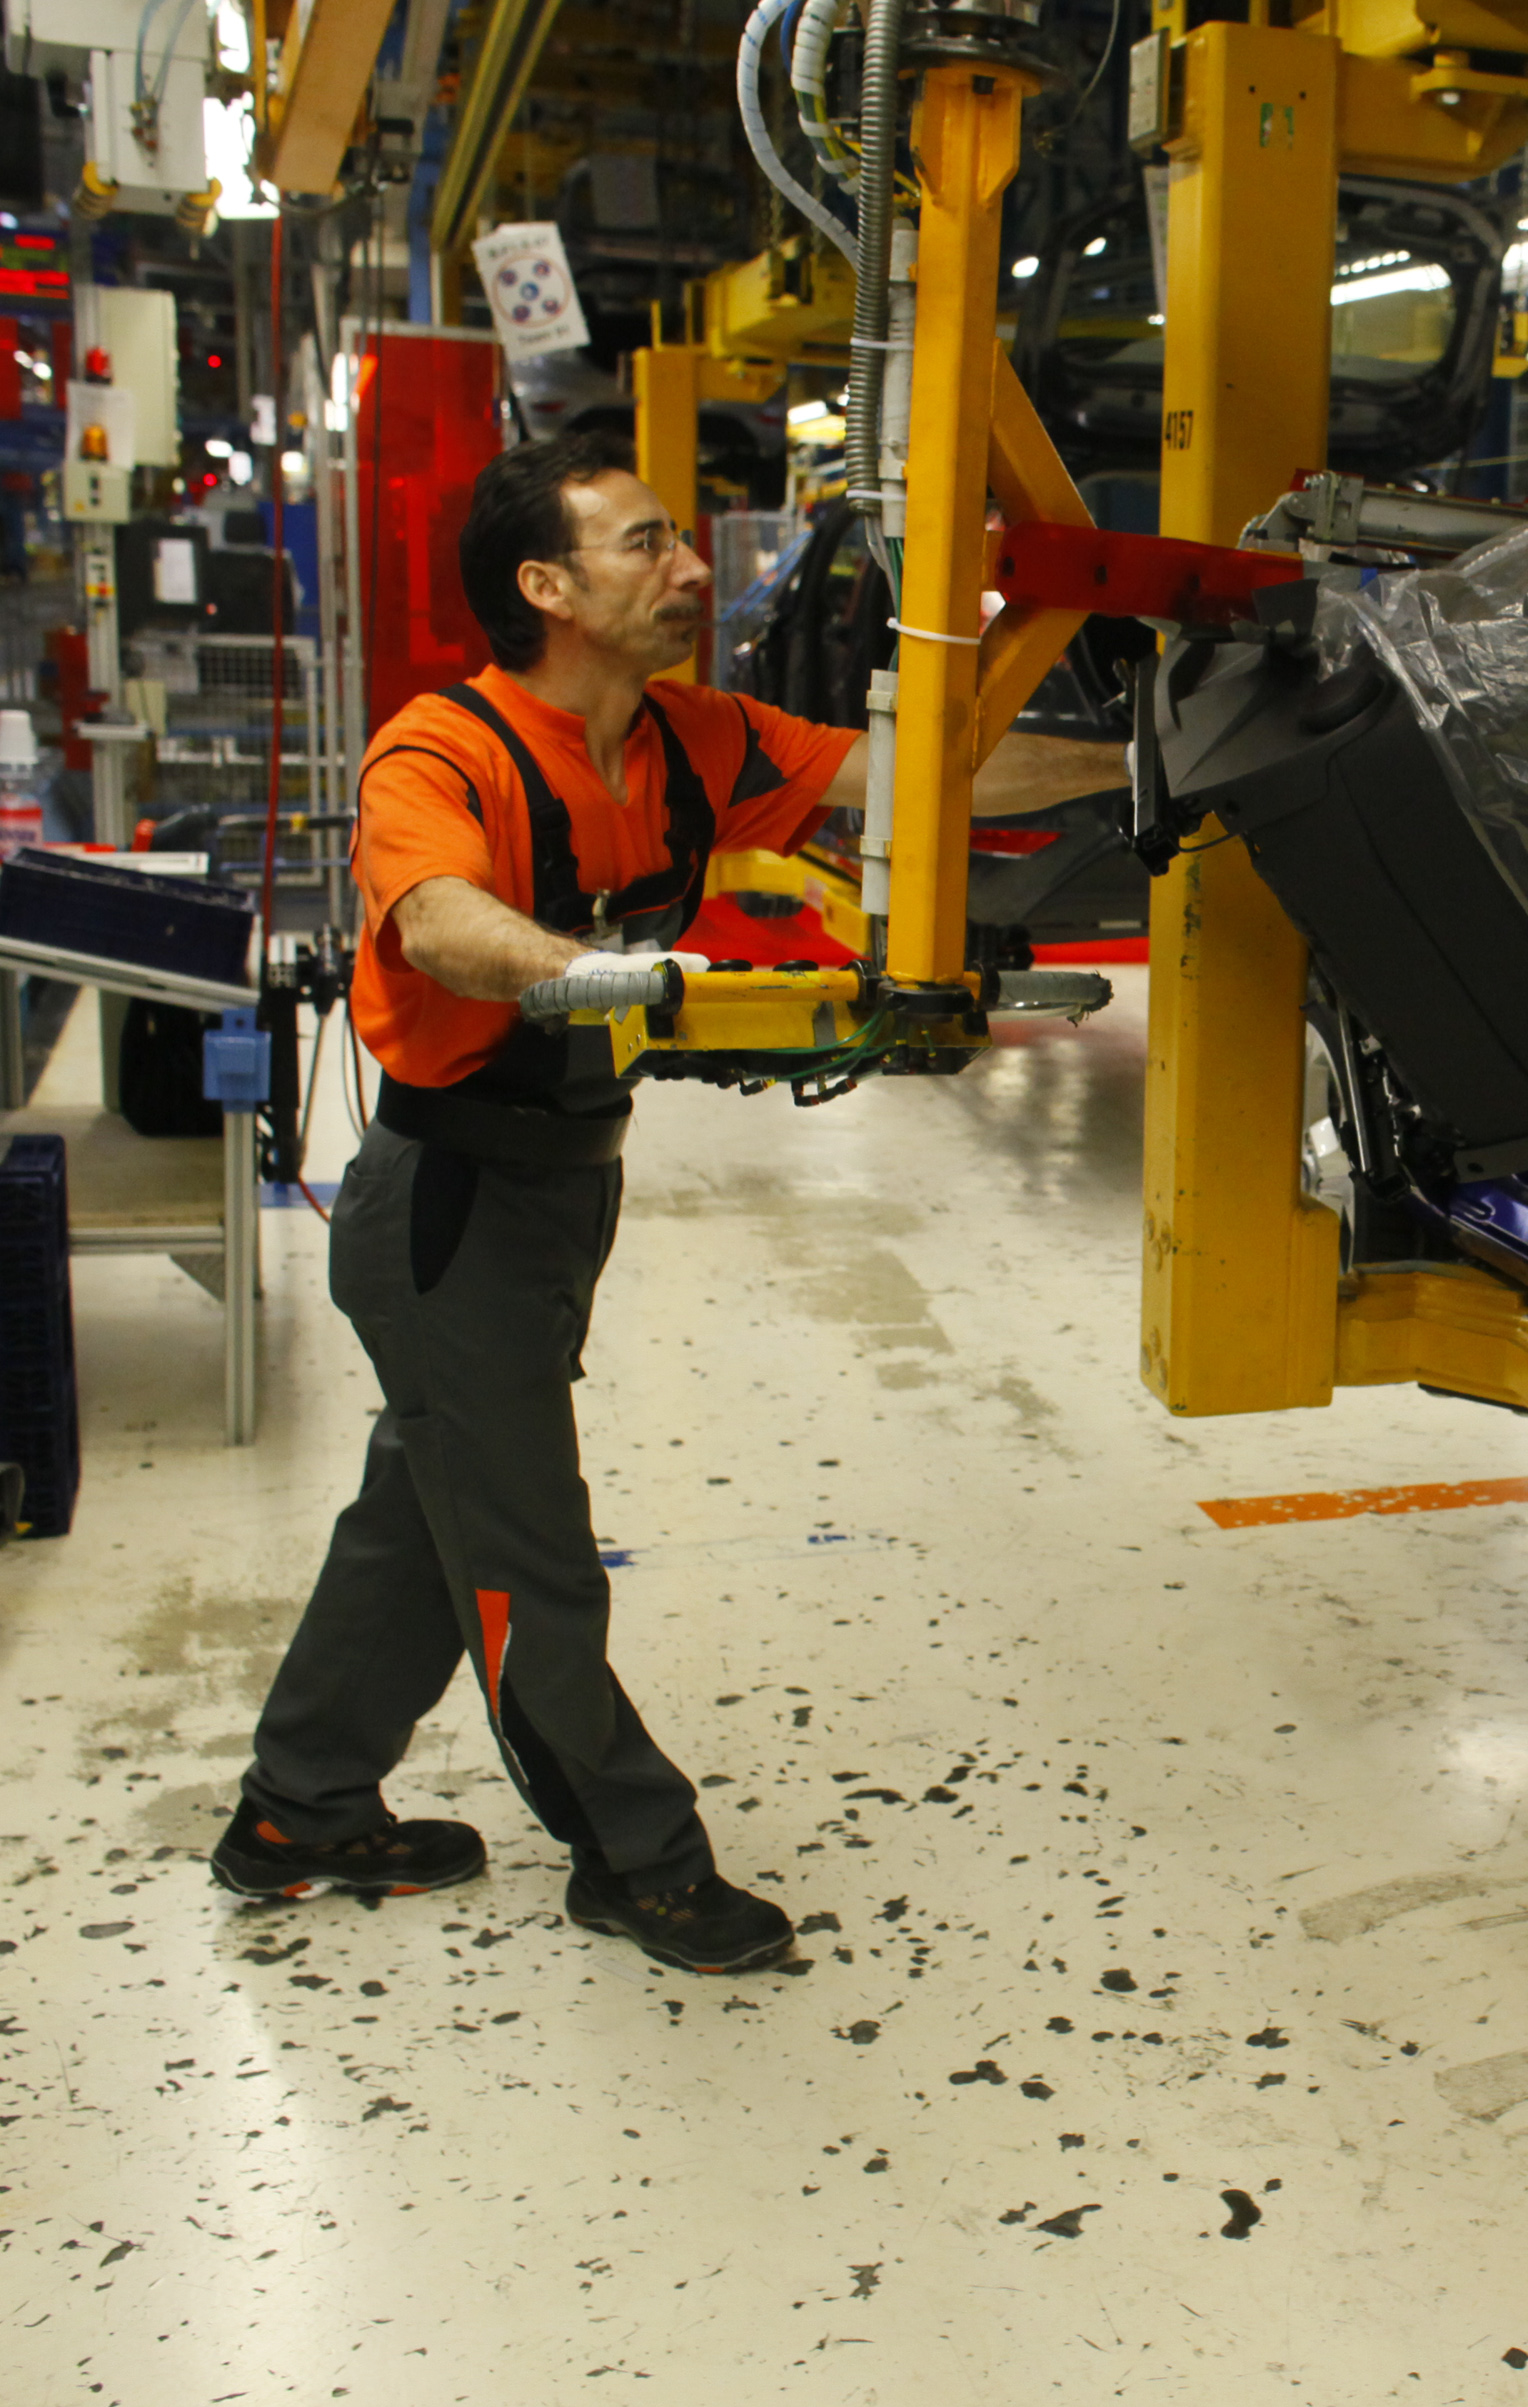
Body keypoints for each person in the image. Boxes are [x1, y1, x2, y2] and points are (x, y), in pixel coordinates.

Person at [211, 429, 1121, 1973]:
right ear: (545, 586)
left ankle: (297, 1808)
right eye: (646, 544)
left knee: (426, 1511)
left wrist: (1144, 760)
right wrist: (601, 973)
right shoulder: (444, 753)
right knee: (529, 1557)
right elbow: (435, 922)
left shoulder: (693, 739)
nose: (692, 567)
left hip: (563, 1197)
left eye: (681, 540)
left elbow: (919, 774)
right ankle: (635, 1856)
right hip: (446, 1209)